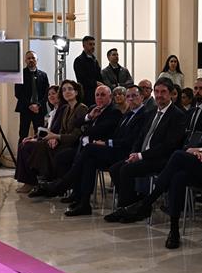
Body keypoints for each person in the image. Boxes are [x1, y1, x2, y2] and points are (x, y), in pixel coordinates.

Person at [116, 81, 202, 249]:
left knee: (177, 155)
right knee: (178, 177)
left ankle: (147, 203)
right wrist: (200, 150)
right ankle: (174, 230)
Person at [58, 84, 159, 217]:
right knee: (89, 159)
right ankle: (84, 202)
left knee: (89, 149)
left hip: (125, 151)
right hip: (115, 148)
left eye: (134, 96)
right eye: (128, 96)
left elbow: (131, 140)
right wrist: (100, 136)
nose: (130, 99)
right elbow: (80, 126)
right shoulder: (127, 114)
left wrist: (106, 142)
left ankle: (64, 183)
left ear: (141, 97)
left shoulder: (143, 114)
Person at [105, 83, 189, 217]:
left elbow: (168, 145)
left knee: (126, 170)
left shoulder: (177, 115)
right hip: (144, 155)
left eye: (163, 92)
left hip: (162, 159)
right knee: (115, 168)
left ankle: (126, 209)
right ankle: (133, 205)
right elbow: (140, 137)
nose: (159, 95)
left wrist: (141, 155)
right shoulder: (152, 112)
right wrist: (134, 153)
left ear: (171, 94)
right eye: (157, 91)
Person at [30, 83, 122, 198]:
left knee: (80, 157)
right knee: (62, 155)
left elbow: (95, 130)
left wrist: (84, 128)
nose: (99, 97)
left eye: (103, 95)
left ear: (110, 97)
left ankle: (59, 187)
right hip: (83, 146)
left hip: (99, 148)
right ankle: (65, 188)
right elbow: (76, 123)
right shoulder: (93, 108)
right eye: (97, 95)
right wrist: (89, 117)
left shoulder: (114, 112)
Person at [14, 80, 87, 192]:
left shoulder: (81, 108)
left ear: (76, 92)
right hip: (60, 140)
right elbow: (59, 129)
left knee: (30, 147)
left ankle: (40, 181)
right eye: (64, 90)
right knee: (25, 144)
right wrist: (39, 137)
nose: (66, 92)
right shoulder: (67, 108)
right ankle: (33, 181)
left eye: (70, 89)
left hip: (71, 144)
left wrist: (55, 137)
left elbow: (75, 134)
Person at [15, 50, 51, 139]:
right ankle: (21, 153)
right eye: (28, 58)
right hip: (25, 108)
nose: (31, 60)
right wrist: (30, 105)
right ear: (25, 61)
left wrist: (37, 105)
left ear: (37, 60)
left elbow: (47, 93)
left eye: (33, 58)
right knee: (23, 134)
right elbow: (18, 93)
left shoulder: (43, 75)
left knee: (40, 134)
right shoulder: (20, 75)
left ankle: (38, 153)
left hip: (39, 109)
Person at [73, 35, 102, 105]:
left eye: (94, 44)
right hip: (86, 95)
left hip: (97, 93)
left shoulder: (95, 60)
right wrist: (95, 83)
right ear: (84, 46)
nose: (93, 47)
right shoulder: (79, 60)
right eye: (90, 44)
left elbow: (99, 75)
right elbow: (81, 79)